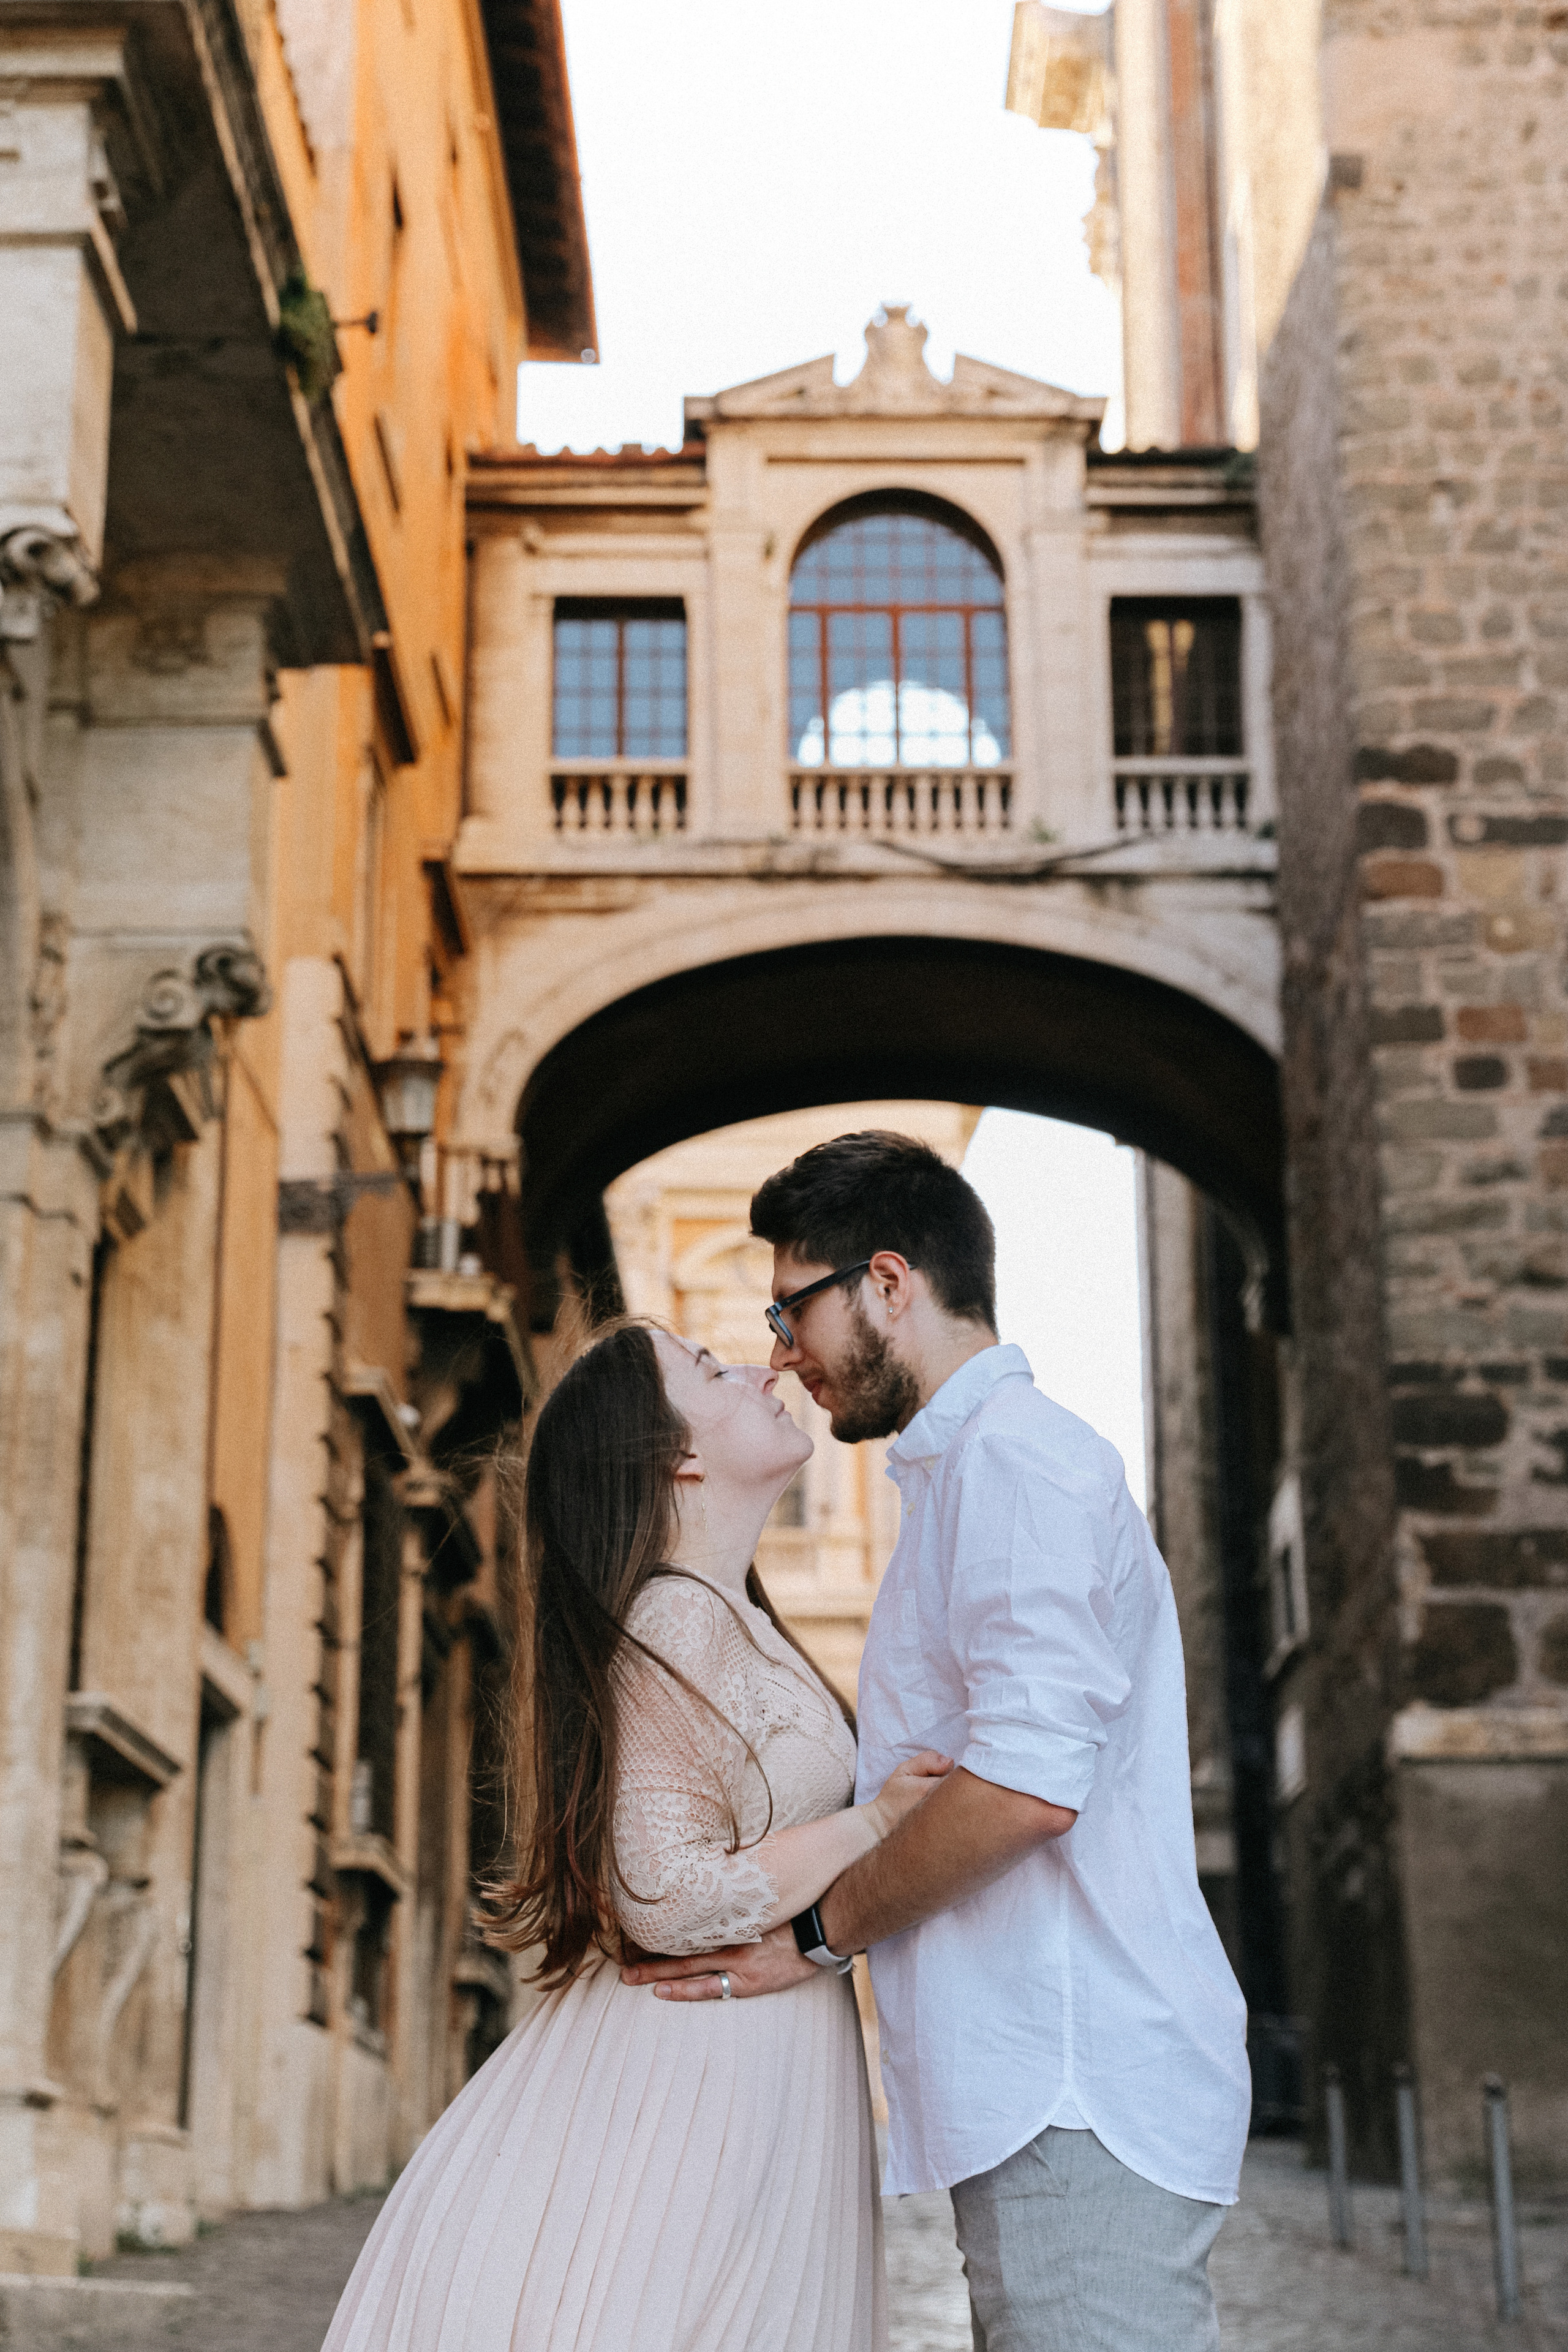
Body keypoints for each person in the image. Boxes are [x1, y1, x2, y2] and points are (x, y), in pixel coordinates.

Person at [624, 1130, 1252, 2352]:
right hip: (1035, 2088)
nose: (778, 1351)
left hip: (1073, 2088)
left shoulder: (1016, 1466)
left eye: (789, 1306)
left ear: (889, 1282)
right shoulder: (961, 1480)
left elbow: (1022, 1791)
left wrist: (814, 1936)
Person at [322, 1317, 951, 2352]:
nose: (762, 1369)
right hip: (692, 2082)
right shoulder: (674, 1618)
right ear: (679, 1459)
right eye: (711, 1371)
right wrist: (875, 1822)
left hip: (749, 2068)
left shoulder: (729, 1615)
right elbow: (663, 1892)